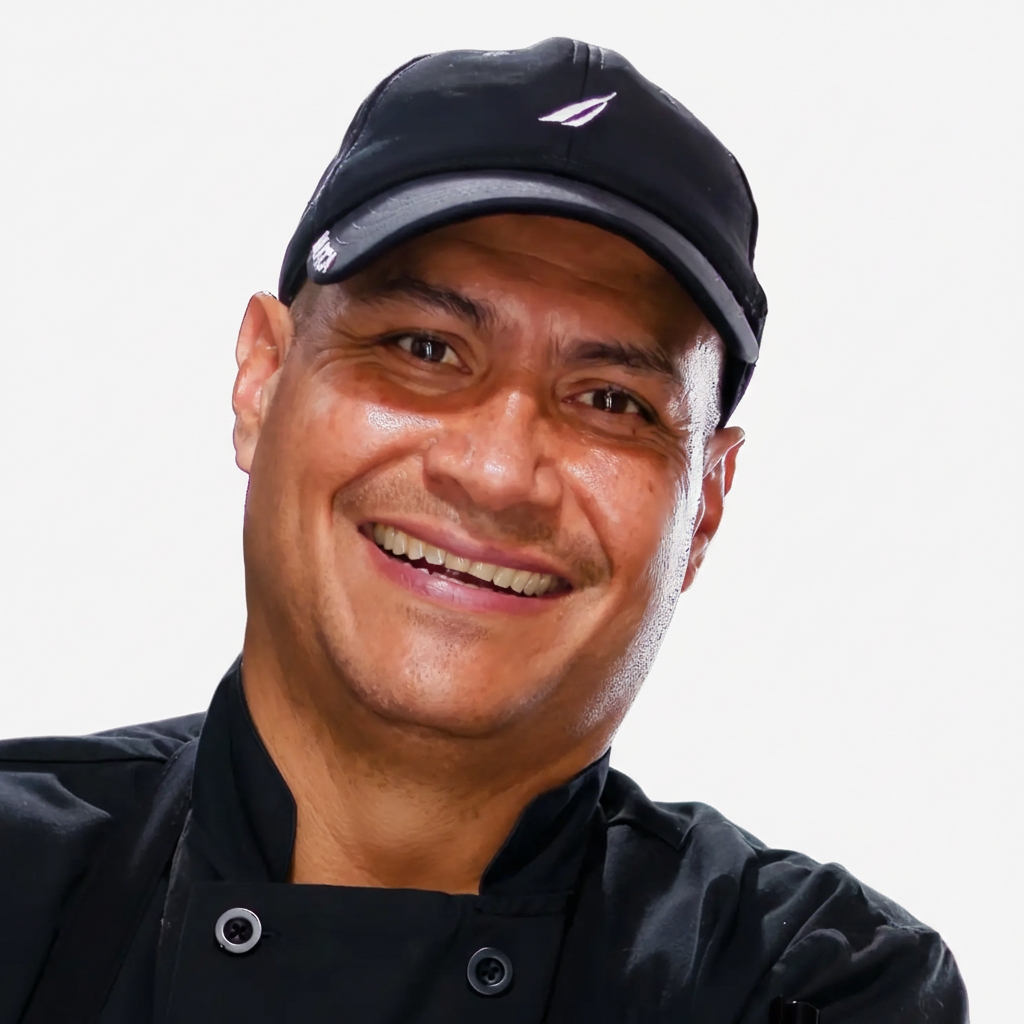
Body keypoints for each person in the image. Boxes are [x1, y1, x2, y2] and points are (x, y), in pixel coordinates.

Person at [0, 37, 967, 1024]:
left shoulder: (798, 981)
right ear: (261, 378)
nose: (499, 472)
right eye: (423, 348)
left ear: (706, 502)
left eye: (611, 399)